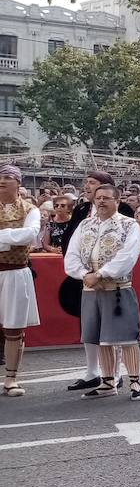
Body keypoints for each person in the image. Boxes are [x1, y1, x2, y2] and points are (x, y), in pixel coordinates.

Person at [64, 183, 140, 400]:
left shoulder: (129, 225)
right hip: (90, 289)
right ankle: (108, 382)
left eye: (106, 198)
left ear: (117, 201)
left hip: (118, 288)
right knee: (100, 337)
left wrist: (99, 274)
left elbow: (127, 257)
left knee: (126, 337)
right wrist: (84, 275)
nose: (101, 201)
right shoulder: (84, 225)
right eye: (98, 198)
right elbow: (71, 256)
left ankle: (135, 382)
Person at [0, 166, 40, 396]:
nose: (2, 181)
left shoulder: (29, 209)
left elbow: (30, 235)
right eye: (0, 177)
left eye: (8, 178)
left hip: (15, 272)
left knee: (14, 327)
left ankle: (11, 378)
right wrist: (10, 239)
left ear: (18, 183)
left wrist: (5, 238)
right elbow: (20, 237)